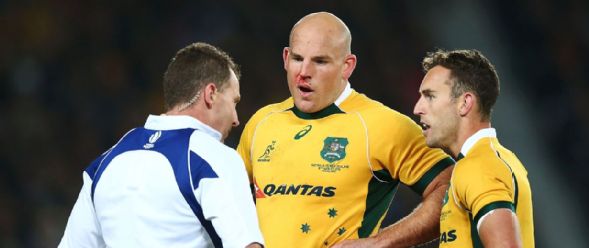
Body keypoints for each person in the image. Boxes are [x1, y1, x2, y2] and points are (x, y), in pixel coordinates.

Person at [236, 12, 454, 247]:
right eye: (298, 58)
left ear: (347, 66)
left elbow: (452, 188)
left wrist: (380, 242)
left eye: (320, 61)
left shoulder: (381, 125)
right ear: (286, 58)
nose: (304, 72)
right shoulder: (263, 122)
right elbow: (224, 200)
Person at [59, 43, 264, 248]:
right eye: (234, 102)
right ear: (211, 94)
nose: (236, 119)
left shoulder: (103, 165)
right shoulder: (216, 158)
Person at [413, 49, 535, 247]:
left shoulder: (478, 167)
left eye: (430, 96)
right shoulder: (498, 159)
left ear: (464, 103)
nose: (417, 108)